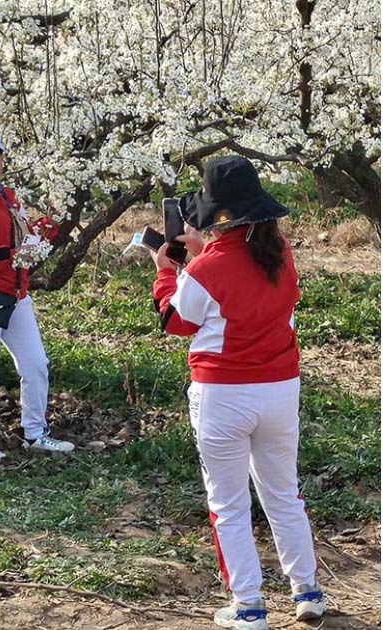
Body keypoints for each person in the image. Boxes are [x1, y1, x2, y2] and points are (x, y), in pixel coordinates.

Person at [150, 156, 326, 629]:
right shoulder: (281, 253)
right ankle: (306, 589)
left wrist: (166, 270)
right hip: (280, 389)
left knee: (227, 503)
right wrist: (197, 255)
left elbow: (176, 320)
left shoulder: (210, 267)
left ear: (214, 214)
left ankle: (248, 605)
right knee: (284, 494)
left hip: (223, 394)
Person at [0, 128, 75, 464]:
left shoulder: (9, 196)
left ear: (3, 159)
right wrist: (14, 255)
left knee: (36, 364)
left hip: (16, 295)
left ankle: (35, 433)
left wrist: (49, 225)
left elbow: (26, 238)